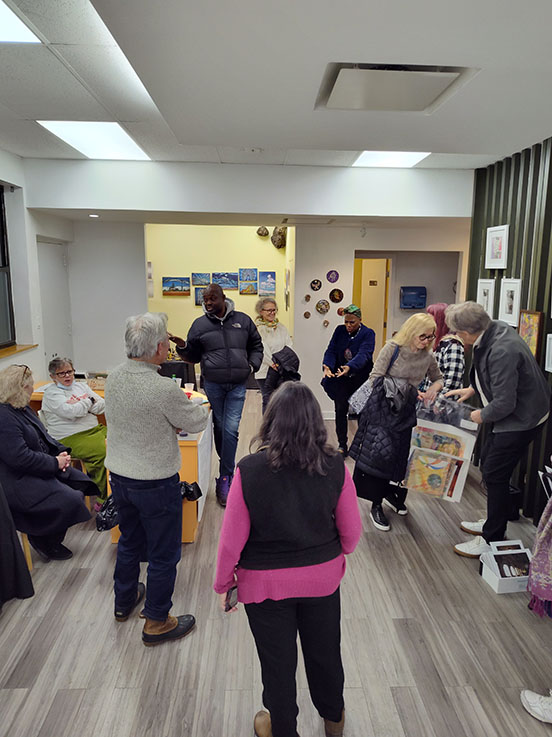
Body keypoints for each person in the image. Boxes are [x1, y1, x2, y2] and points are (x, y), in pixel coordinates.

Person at [213, 382, 362, 737]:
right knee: (325, 653)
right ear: (316, 421)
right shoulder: (334, 466)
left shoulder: (250, 470)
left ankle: (282, 728)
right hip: (322, 580)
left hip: (264, 586)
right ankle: (334, 720)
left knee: (277, 663)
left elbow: (231, 541)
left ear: (271, 421)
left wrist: (224, 584)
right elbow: (352, 535)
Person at [105, 312, 209, 646]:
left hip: (120, 477)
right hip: (154, 482)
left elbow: (132, 418)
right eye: (165, 341)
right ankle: (157, 621)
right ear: (159, 348)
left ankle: (123, 602)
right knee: (163, 554)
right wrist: (203, 408)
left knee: (130, 541)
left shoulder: (113, 377)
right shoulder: (163, 388)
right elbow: (195, 422)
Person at [444, 301, 551, 558]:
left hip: (523, 418)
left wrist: (477, 415)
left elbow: (505, 403)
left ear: (467, 332)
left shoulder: (502, 349)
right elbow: (494, 376)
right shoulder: (494, 328)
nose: (457, 336)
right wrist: (473, 389)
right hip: (514, 412)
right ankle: (495, 519)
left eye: (458, 332)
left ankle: (492, 536)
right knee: (491, 467)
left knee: (494, 473)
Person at [170, 283, 263, 506]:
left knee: (230, 429)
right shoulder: (199, 325)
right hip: (213, 384)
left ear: (223, 297)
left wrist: (252, 366)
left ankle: (225, 477)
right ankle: (227, 469)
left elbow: (257, 345)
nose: (208, 303)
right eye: (205, 299)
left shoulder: (243, 321)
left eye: (212, 298)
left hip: (238, 384)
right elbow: (193, 356)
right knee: (220, 428)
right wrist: (182, 346)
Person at [349, 313, 443, 531]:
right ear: (411, 332)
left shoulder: (428, 356)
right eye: (422, 336)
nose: (426, 341)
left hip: (406, 412)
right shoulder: (393, 348)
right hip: (382, 409)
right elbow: (375, 377)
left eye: (431, 336)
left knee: (401, 457)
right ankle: (376, 504)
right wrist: (403, 389)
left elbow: (438, 378)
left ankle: (393, 494)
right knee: (380, 456)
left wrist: (432, 389)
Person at [0, 364, 97, 561]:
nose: (33, 389)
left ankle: (48, 535)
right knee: (71, 499)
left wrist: (61, 452)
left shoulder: (21, 408)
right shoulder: (4, 418)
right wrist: (54, 463)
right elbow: (20, 458)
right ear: (20, 389)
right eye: (30, 386)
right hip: (18, 480)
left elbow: (44, 435)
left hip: (38, 467)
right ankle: (43, 539)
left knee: (80, 483)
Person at [41, 357, 108, 509]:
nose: (67, 376)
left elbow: (102, 406)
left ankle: (118, 489)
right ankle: (103, 498)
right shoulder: (52, 393)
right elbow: (71, 412)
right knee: (102, 452)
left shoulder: (81, 386)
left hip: (94, 430)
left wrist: (82, 405)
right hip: (69, 437)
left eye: (69, 371)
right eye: (61, 373)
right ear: (53, 376)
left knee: (120, 440)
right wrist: (89, 402)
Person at [321, 305, 375, 455]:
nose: (348, 325)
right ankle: (342, 445)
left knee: (362, 413)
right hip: (341, 378)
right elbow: (331, 350)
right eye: (346, 322)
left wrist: (350, 367)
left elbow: (364, 354)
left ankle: (360, 447)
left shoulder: (368, 334)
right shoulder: (340, 331)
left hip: (360, 379)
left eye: (352, 322)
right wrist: (327, 366)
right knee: (340, 410)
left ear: (360, 320)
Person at [254, 297, 293, 413]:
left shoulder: (281, 327)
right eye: (269, 310)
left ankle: (280, 424)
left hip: (282, 368)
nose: (272, 313)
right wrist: (272, 363)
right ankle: (268, 424)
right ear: (261, 311)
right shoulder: (257, 329)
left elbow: (288, 345)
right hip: (265, 370)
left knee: (282, 400)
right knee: (268, 400)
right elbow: (261, 348)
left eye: (274, 310)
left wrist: (282, 362)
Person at [419, 302, 465, 394]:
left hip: (443, 401)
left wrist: (434, 400)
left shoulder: (453, 346)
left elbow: (452, 383)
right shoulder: (434, 344)